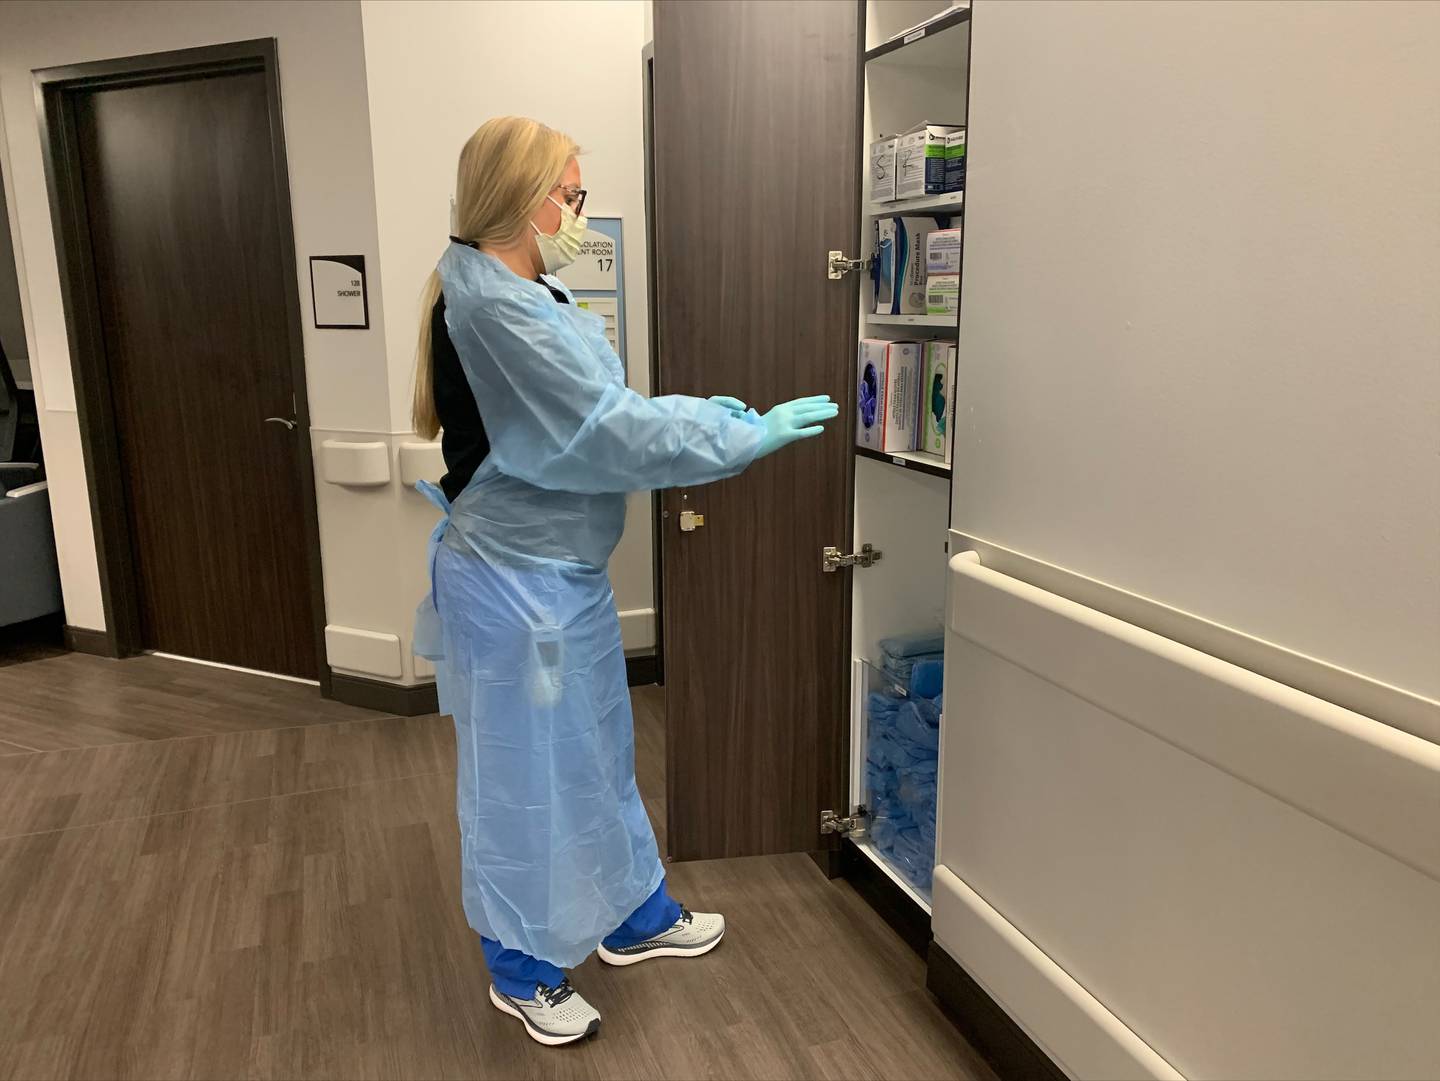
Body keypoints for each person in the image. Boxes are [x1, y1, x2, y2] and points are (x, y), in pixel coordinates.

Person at [411, 116, 839, 1047]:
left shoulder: (533, 289)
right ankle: (519, 966)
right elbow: (599, 434)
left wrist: (696, 412)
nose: (579, 212)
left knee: (600, 750)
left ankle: (632, 913)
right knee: (524, 774)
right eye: (571, 194)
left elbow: (605, 409)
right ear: (525, 201)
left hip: (563, 574)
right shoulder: (491, 306)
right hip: (512, 582)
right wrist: (738, 437)